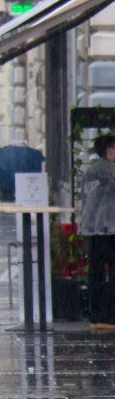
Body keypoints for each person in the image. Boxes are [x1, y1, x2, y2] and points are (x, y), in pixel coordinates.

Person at [78, 134, 115, 324]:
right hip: (109, 230)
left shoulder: (90, 172)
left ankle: (96, 316)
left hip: (91, 230)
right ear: (108, 150)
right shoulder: (111, 172)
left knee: (95, 273)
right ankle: (110, 316)